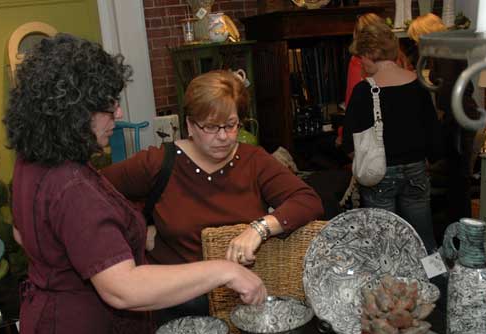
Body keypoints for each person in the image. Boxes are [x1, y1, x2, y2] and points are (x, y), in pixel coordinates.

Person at [4, 35, 267, 334]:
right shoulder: (73, 186)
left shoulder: (33, 160)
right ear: (75, 113)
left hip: (54, 326)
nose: (118, 112)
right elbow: (122, 289)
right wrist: (227, 270)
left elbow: (22, 230)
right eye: (107, 106)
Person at [104, 70, 323, 320]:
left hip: (242, 304)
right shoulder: (157, 163)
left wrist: (259, 228)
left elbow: (308, 200)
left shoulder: (254, 160)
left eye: (230, 125)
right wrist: (138, 227)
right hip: (180, 309)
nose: (222, 137)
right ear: (189, 125)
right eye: (210, 126)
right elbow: (94, 190)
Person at [342, 23, 441, 251]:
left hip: (380, 175)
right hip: (416, 170)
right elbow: (434, 132)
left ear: (369, 54)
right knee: (424, 240)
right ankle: (436, 281)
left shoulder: (364, 91)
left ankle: (392, 286)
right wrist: (427, 161)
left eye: (360, 58)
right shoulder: (418, 84)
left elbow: (349, 140)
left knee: (385, 245)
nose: (361, 64)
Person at [408, 13, 481, 223]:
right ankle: (458, 225)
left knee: (458, 179)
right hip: (462, 113)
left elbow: (448, 87)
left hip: (457, 116)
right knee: (458, 177)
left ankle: (458, 227)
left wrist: (440, 115)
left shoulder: (444, 51)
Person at [337, 13, 412, 149]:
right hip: (407, 140)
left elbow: (351, 110)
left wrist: (343, 136)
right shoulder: (401, 57)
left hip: (376, 143)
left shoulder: (358, 61)